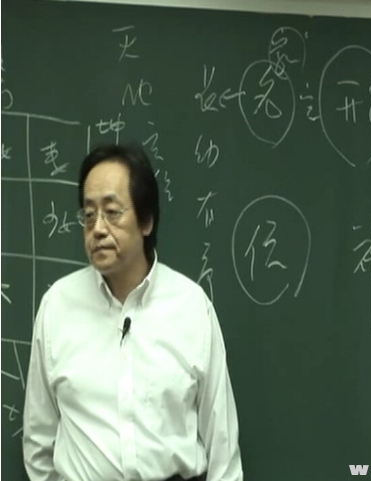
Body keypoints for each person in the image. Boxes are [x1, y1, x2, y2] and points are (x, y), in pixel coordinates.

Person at [23, 143, 243, 481]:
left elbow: (222, 449)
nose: (98, 228)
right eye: (89, 214)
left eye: (112, 212)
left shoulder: (191, 306)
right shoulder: (57, 307)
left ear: (146, 221)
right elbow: (38, 443)